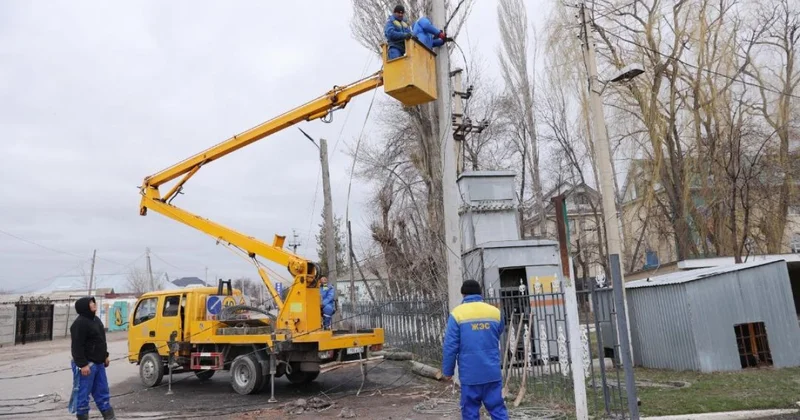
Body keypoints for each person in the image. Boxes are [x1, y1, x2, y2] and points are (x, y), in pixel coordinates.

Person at [442, 280, 508, 420]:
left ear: (463, 294)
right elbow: (499, 331)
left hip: (470, 374)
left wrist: (448, 371)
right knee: (498, 409)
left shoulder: (457, 314)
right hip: (492, 372)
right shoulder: (495, 312)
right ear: (480, 293)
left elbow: (450, 346)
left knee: (470, 412)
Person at [68, 296, 116, 420]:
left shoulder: (96, 320)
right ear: (84, 307)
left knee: (103, 393)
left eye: (93, 302)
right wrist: (82, 364)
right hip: (86, 365)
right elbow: (76, 347)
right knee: (83, 396)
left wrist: (105, 356)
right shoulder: (79, 324)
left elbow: (101, 341)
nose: (94, 304)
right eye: (90, 303)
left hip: (99, 364)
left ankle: (110, 417)